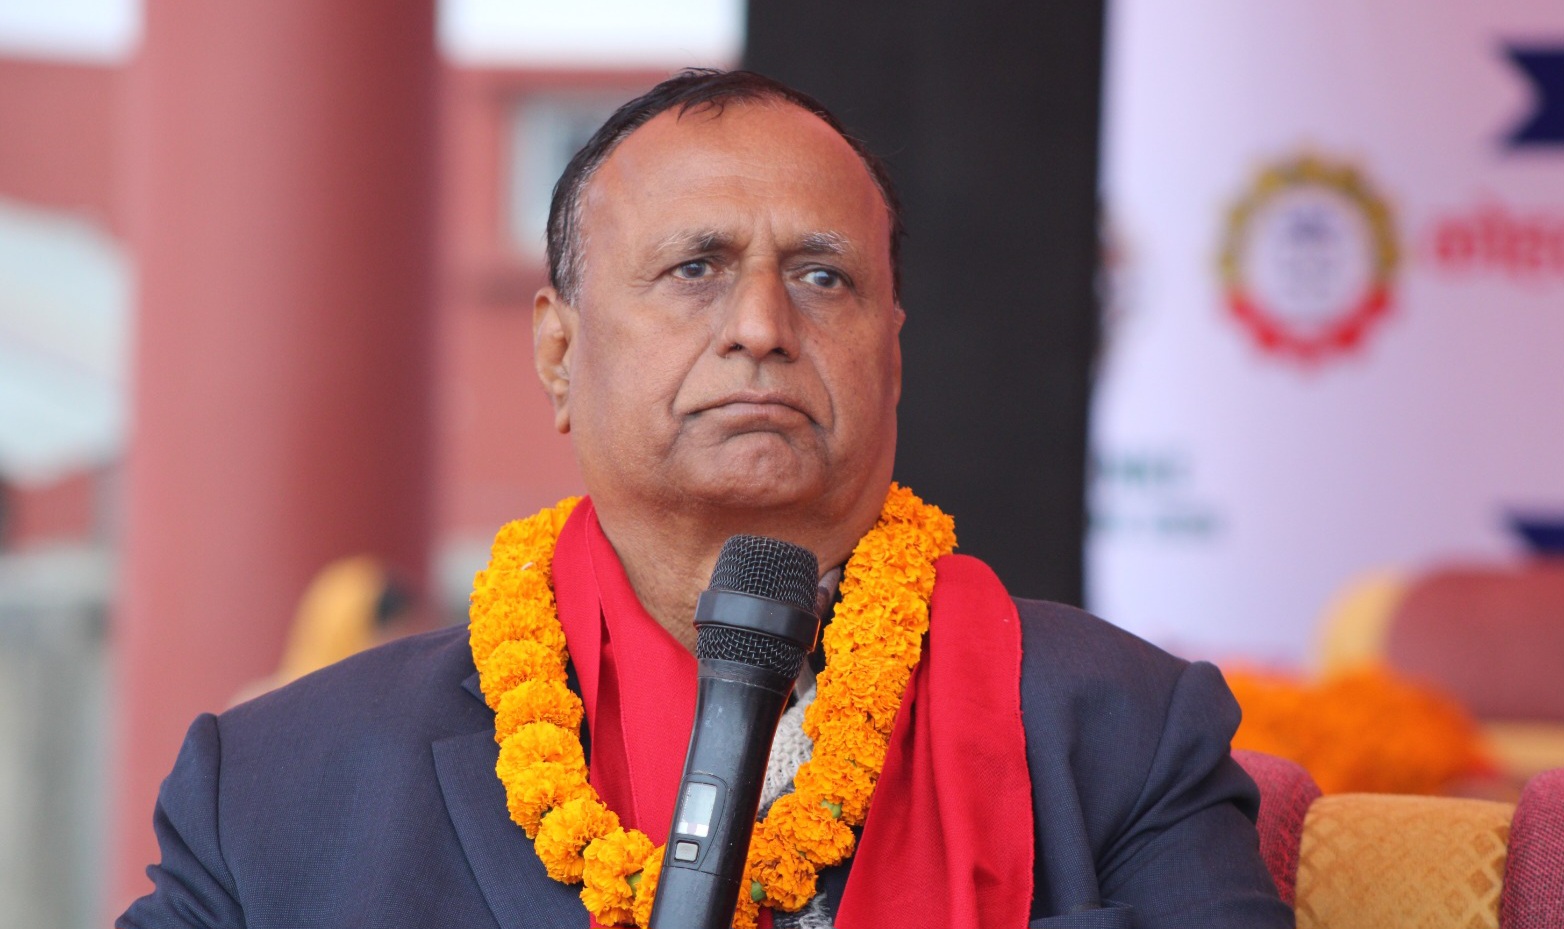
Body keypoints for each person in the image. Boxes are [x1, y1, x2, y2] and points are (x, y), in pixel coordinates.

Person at [120, 70, 1292, 929]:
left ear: (891, 354)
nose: (762, 327)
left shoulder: (1121, 732)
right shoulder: (276, 786)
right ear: (557, 352)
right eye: (696, 268)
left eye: (822, 276)